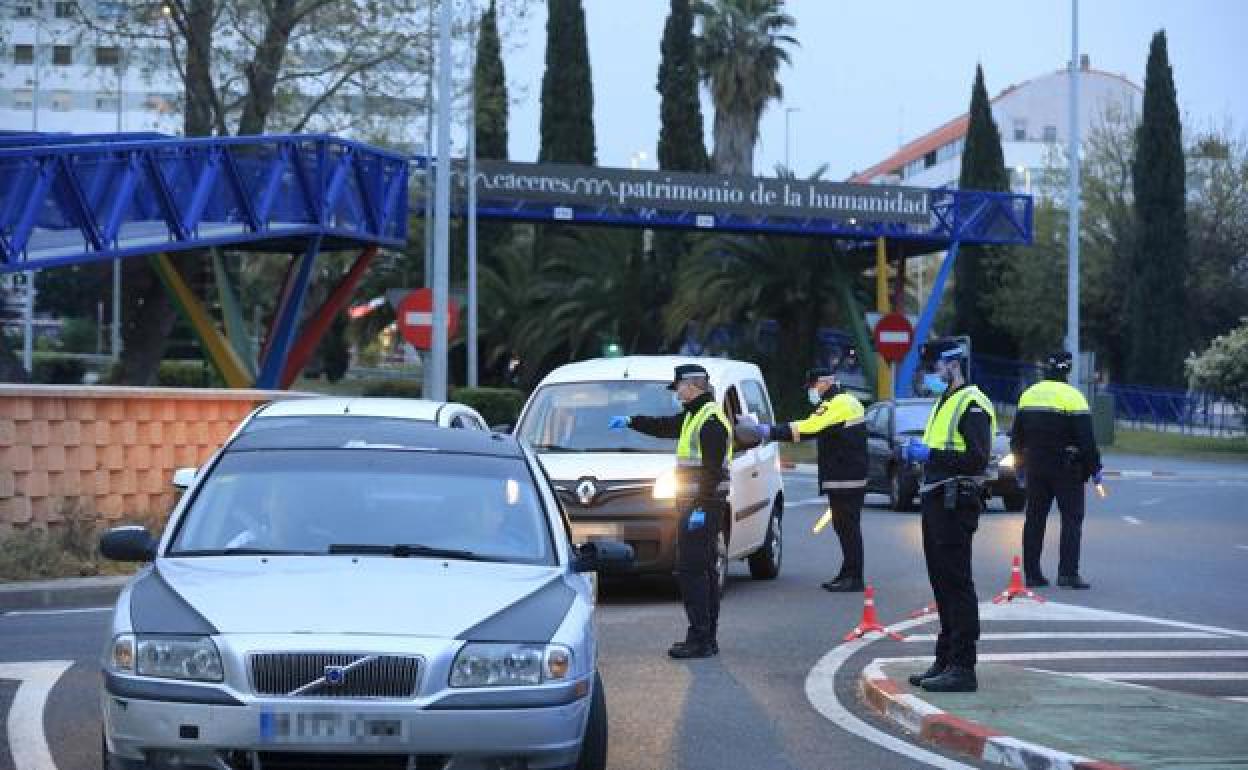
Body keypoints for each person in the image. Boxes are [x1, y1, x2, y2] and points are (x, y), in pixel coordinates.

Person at [609, 363, 731, 659]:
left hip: (702, 507)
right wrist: (631, 421)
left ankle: (700, 638)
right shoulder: (694, 415)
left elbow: (712, 472)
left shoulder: (710, 421)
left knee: (692, 571)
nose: (676, 393)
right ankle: (706, 637)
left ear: (692, 386)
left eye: (678, 387)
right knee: (703, 570)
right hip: (697, 506)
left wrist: (700, 507)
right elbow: (663, 426)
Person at [901, 338, 996, 693]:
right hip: (937, 500)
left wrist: (930, 455)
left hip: (956, 502)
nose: (928, 376)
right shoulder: (946, 401)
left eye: (933, 368)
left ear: (953, 365)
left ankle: (963, 667)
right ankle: (944, 660)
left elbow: (976, 459)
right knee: (941, 584)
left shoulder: (973, 403)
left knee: (957, 584)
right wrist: (920, 455)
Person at [744, 368, 868, 592]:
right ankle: (848, 572)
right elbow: (816, 429)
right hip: (849, 473)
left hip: (845, 476)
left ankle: (854, 577)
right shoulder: (846, 401)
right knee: (845, 527)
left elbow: (809, 427)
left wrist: (768, 431)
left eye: (813, 386)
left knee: (847, 528)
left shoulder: (837, 403)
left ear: (825, 382)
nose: (812, 391)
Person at [1012, 351, 1102, 590]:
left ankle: (1032, 574)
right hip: (1066, 469)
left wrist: (1020, 466)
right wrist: (1094, 468)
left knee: (1034, 519)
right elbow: (1087, 440)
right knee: (1071, 520)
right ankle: (1068, 574)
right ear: (1068, 370)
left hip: (1035, 467)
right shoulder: (1073, 397)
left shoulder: (1028, 395)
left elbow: (1017, 437)